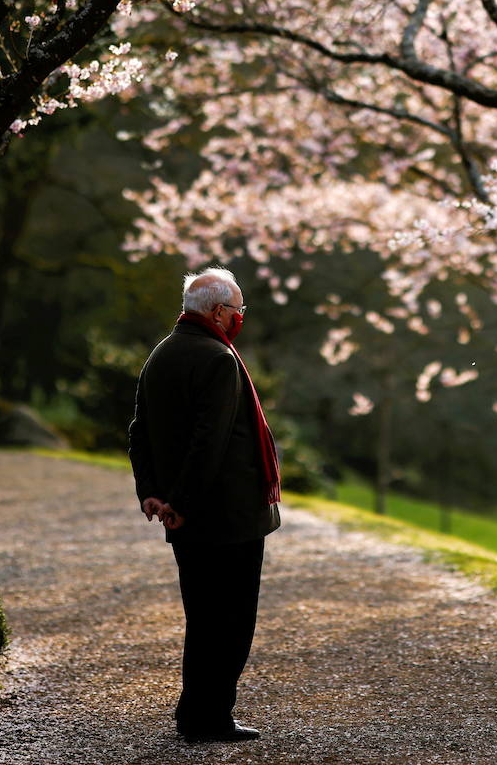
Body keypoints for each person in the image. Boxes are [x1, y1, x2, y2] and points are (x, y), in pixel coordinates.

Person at [127, 267, 282, 744]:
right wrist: (181, 502)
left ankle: (197, 713)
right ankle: (209, 717)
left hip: (188, 517)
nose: (240, 317)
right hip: (226, 518)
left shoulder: (162, 353)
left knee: (204, 618)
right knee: (230, 622)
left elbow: (140, 433)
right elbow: (208, 443)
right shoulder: (218, 358)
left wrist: (152, 492)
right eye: (238, 309)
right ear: (218, 312)